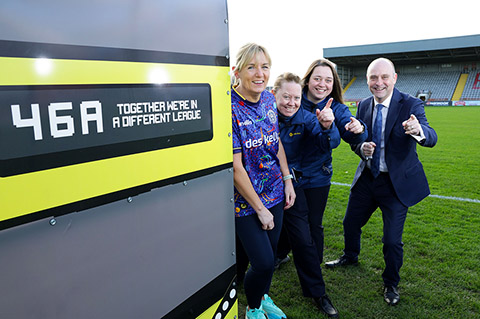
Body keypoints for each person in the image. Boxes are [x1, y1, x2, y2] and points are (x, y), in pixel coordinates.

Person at [325, 58, 438, 306]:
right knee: (350, 223)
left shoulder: (410, 104)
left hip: (395, 185)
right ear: (367, 81)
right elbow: (356, 139)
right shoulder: (364, 104)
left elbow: (431, 137)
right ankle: (350, 256)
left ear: (394, 78)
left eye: (384, 77)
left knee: (391, 241)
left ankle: (391, 283)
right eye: (373, 78)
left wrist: (418, 129)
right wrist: (361, 147)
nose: (379, 83)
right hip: (368, 178)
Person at [231, 43, 295, 319]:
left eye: (265, 66)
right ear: (237, 71)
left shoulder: (269, 99)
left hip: (276, 193)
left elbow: (275, 141)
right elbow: (235, 167)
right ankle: (253, 309)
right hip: (246, 202)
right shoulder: (229, 108)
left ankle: (262, 297)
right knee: (263, 261)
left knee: (268, 260)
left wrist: (287, 179)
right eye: (251, 67)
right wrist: (259, 208)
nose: (260, 73)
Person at [274, 72, 341, 318]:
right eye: (286, 97)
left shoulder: (307, 118)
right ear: (274, 95)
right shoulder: (262, 115)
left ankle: (318, 293)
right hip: (257, 188)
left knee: (303, 238)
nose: (291, 102)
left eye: (295, 98)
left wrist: (327, 126)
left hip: (292, 187)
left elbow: (330, 143)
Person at [297, 58, 368, 264]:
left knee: (313, 224)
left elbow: (349, 131)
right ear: (308, 80)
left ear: (334, 84)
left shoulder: (336, 108)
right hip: (288, 175)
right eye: (317, 78)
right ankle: (281, 254)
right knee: (287, 222)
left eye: (328, 80)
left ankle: (314, 267)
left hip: (318, 177)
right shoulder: (293, 100)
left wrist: (358, 129)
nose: (322, 84)